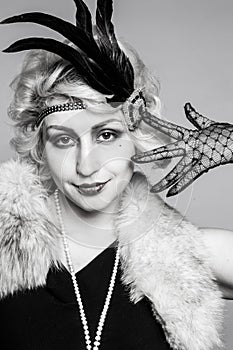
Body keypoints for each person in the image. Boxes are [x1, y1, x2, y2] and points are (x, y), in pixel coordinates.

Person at [0, 1, 233, 349]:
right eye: (63, 140)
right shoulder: (6, 252)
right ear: (40, 147)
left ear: (136, 138)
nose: (86, 165)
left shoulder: (193, 256)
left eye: (106, 135)